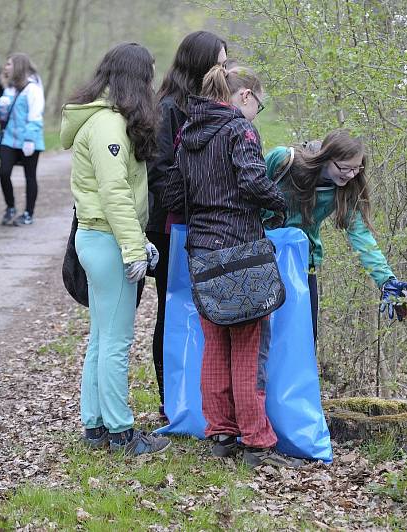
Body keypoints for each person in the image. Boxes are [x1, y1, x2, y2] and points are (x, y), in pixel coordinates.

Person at [162, 62, 299, 468]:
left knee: (214, 344)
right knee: (247, 346)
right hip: (240, 251)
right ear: (243, 96)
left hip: (201, 253)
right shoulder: (240, 130)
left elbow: (174, 191)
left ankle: (221, 432)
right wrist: (282, 205)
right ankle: (257, 441)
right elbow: (254, 182)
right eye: (258, 101)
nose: (258, 109)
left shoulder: (188, 132)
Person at [61, 42, 170, 455]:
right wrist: (134, 248)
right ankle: (122, 433)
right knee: (116, 341)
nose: (152, 83)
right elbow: (114, 193)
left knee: (101, 338)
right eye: (149, 75)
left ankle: (95, 426)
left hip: (99, 238)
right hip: (108, 240)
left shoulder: (104, 120)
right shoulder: (108, 126)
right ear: (135, 78)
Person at [264, 130, 407, 340]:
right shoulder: (284, 161)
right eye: (345, 168)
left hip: (302, 264)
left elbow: (362, 237)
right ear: (326, 158)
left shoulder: (346, 189)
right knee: (262, 336)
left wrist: (386, 279)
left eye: (356, 169)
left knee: (303, 338)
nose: (351, 175)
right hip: (262, 258)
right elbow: (247, 189)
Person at [147, 30, 227, 420]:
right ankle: (169, 399)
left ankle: (197, 395)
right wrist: (191, 209)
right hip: (170, 228)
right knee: (171, 308)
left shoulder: (206, 105)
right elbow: (160, 172)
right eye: (218, 62)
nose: (223, 70)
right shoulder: (168, 108)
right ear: (199, 64)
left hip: (200, 226)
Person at [0, 53, 44, 226]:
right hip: (9, 139)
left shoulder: (33, 89)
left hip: (29, 141)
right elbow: (4, 116)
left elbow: (36, 116)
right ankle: (10, 207)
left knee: (30, 177)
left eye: (9, 64)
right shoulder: (10, 89)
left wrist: (30, 139)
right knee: (3, 173)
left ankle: (28, 214)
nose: (5, 67)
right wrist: (0, 107)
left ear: (18, 66)